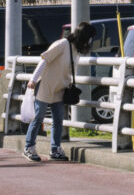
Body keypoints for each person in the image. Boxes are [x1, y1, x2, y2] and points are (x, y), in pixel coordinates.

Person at [23, 21, 93, 162]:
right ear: (84, 37)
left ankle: (55, 149)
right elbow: (44, 60)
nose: (90, 42)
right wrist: (33, 80)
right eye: (89, 38)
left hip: (60, 88)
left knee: (58, 120)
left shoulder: (75, 50)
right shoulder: (62, 44)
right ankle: (29, 147)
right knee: (38, 118)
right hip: (46, 85)